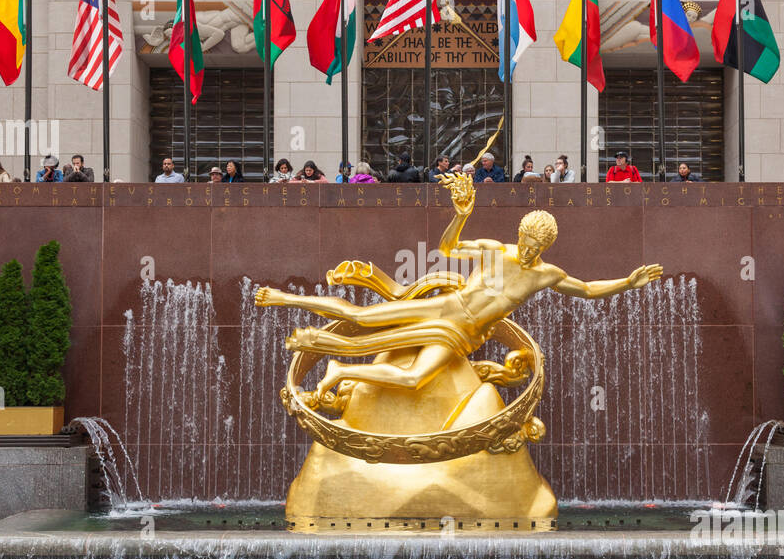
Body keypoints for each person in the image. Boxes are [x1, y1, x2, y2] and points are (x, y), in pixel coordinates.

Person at [255, 171, 662, 400]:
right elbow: (447, 246)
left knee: (416, 379)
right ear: (518, 234)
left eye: (535, 246)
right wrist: (461, 214)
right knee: (363, 316)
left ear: (546, 247)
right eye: (524, 240)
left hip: (463, 336)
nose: (526, 250)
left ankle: (342, 368)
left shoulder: (546, 275)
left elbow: (588, 289)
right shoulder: (493, 250)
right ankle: (284, 298)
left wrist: (628, 282)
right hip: (445, 310)